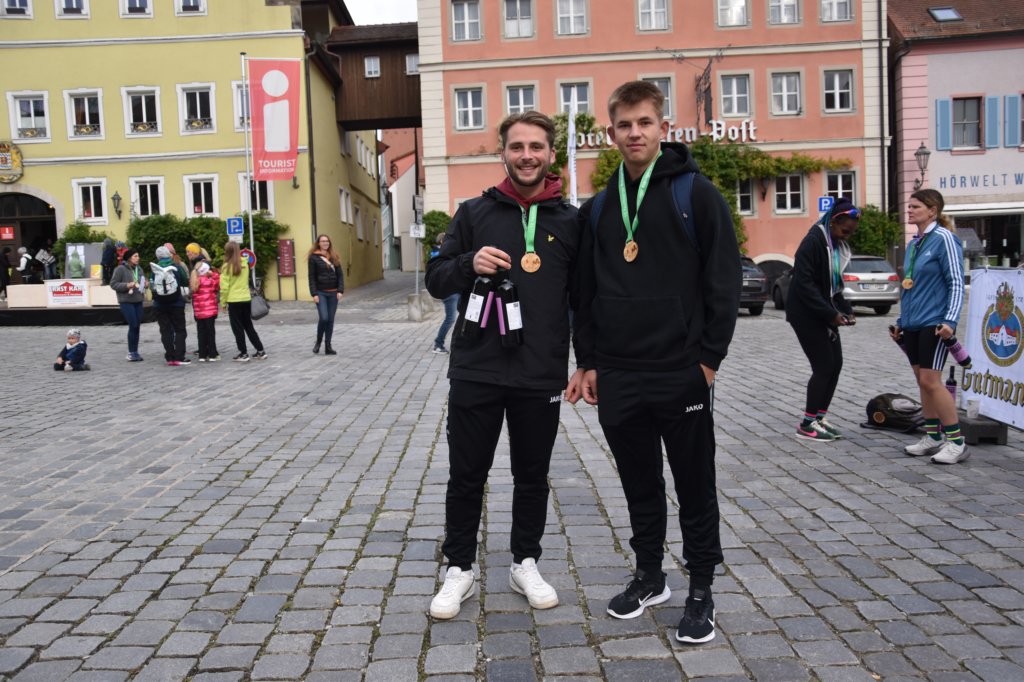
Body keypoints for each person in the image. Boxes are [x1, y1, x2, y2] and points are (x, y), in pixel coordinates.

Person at [574, 81, 741, 644]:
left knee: (694, 483)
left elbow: (723, 279)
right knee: (638, 482)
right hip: (619, 373)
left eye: (644, 122)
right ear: (611, 132)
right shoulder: (600, 207)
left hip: (680, 370)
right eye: (624, 125)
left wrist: (709, 360)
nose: (634, 133)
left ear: (662, 128)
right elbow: (585, 292)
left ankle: (701, 588)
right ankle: (650, 575)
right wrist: (589, 360)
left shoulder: (696, 194)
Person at [424, 111, 584, 620]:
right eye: (517, 147)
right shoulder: (473, 213)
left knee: (532, 475)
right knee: (466, 475)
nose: (527, 156)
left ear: (551, 154)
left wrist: (589, 363)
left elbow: (585, 299)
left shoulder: (571, 221)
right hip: (476, 368)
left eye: (536, 147)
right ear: (503, 154)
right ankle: (459, 567)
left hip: (540, 372)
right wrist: (467, 263)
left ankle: (525, 561)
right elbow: (435, 279)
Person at [891, 188, 967, 464]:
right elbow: (910, 286)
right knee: (921, 380)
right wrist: (902, 321)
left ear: (932, 211)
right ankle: (933, 436)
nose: (909, 210)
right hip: (913, 323)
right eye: (909, 206)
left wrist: (950, 321)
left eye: (915, 207)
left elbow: (956, 281)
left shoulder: (944, 238)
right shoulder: (914, 244)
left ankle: (956, 442)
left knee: (931, 381)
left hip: (935, 322)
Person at [786, 198, 861, 441]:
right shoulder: (813, 241)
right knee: (824, 366)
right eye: (845, 231)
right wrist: (831, 314)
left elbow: (833, 286)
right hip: (805, 314)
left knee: (836, 364)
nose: (847, 236)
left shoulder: (833, 245)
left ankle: (819, 417)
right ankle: (807, 424)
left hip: (822, 313)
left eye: (851, 232)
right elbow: (804, 285)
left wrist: (846, 310)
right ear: (834, 221)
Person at [221, 240, 266, 362]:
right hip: (246, 298)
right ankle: (260, 350)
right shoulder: (245, 264)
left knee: (237, 328)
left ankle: (243, 353)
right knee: (248, 326)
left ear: (227, 251)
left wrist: (223, 302)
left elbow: (224, 288)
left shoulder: (226, 267)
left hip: (233, 300)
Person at [151, 245, 191, 366]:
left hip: (159, 305)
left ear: (158, 257)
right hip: (176, 303)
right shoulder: (177, 268)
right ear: (169, 255)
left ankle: (170, 357)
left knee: (165, 331)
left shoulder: (154, 270)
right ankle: (179, 356)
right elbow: (185, 281)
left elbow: (152, 287)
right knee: (180, 330)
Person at [307, 234, 344, 355]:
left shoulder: (334, 256)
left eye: (327, 241)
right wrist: (314, 294)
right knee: (324, 318)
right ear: (318, 243)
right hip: (321, 293)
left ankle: (328, 346)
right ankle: (318, 342)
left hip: (333, 293)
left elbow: (340, 275)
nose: (325, 243)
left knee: (330, 320)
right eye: (323, 241)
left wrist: (340, 290)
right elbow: (311, 277)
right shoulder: (313, 258)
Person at [109, 248, 148, 362]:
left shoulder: (139, 269)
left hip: (138, 300)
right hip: (126, 301)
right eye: (135, 256)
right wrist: (127, 285)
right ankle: (131, 352)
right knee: (133, 324)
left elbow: (141, 281)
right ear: (129, 258)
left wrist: (145, 284)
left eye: (138, 256)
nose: (138, 258)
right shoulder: (120, 269)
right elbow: (113, 284)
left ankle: (135, 351)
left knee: (137, 326)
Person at [190, 261, 221, 362]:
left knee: (201, 333)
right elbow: (219, 283)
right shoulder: (210, 281)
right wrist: (214, 274)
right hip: (209, 312)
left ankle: (202, 355)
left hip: (199, 313)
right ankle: (212, 355)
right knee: (210, 333)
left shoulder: (194, 281)